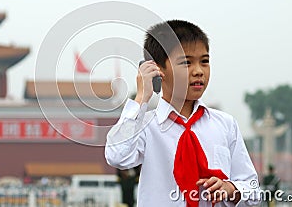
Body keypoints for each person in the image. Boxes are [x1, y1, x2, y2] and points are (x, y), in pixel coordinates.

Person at [105, 20, 261, 207]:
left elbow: (253, 190)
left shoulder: (225, 125)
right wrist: (141, 99)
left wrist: (230, 189)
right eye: (186, 63)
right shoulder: (145, 126)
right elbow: (117, 156)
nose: (198, 71)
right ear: (157, 69)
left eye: (204, 61)